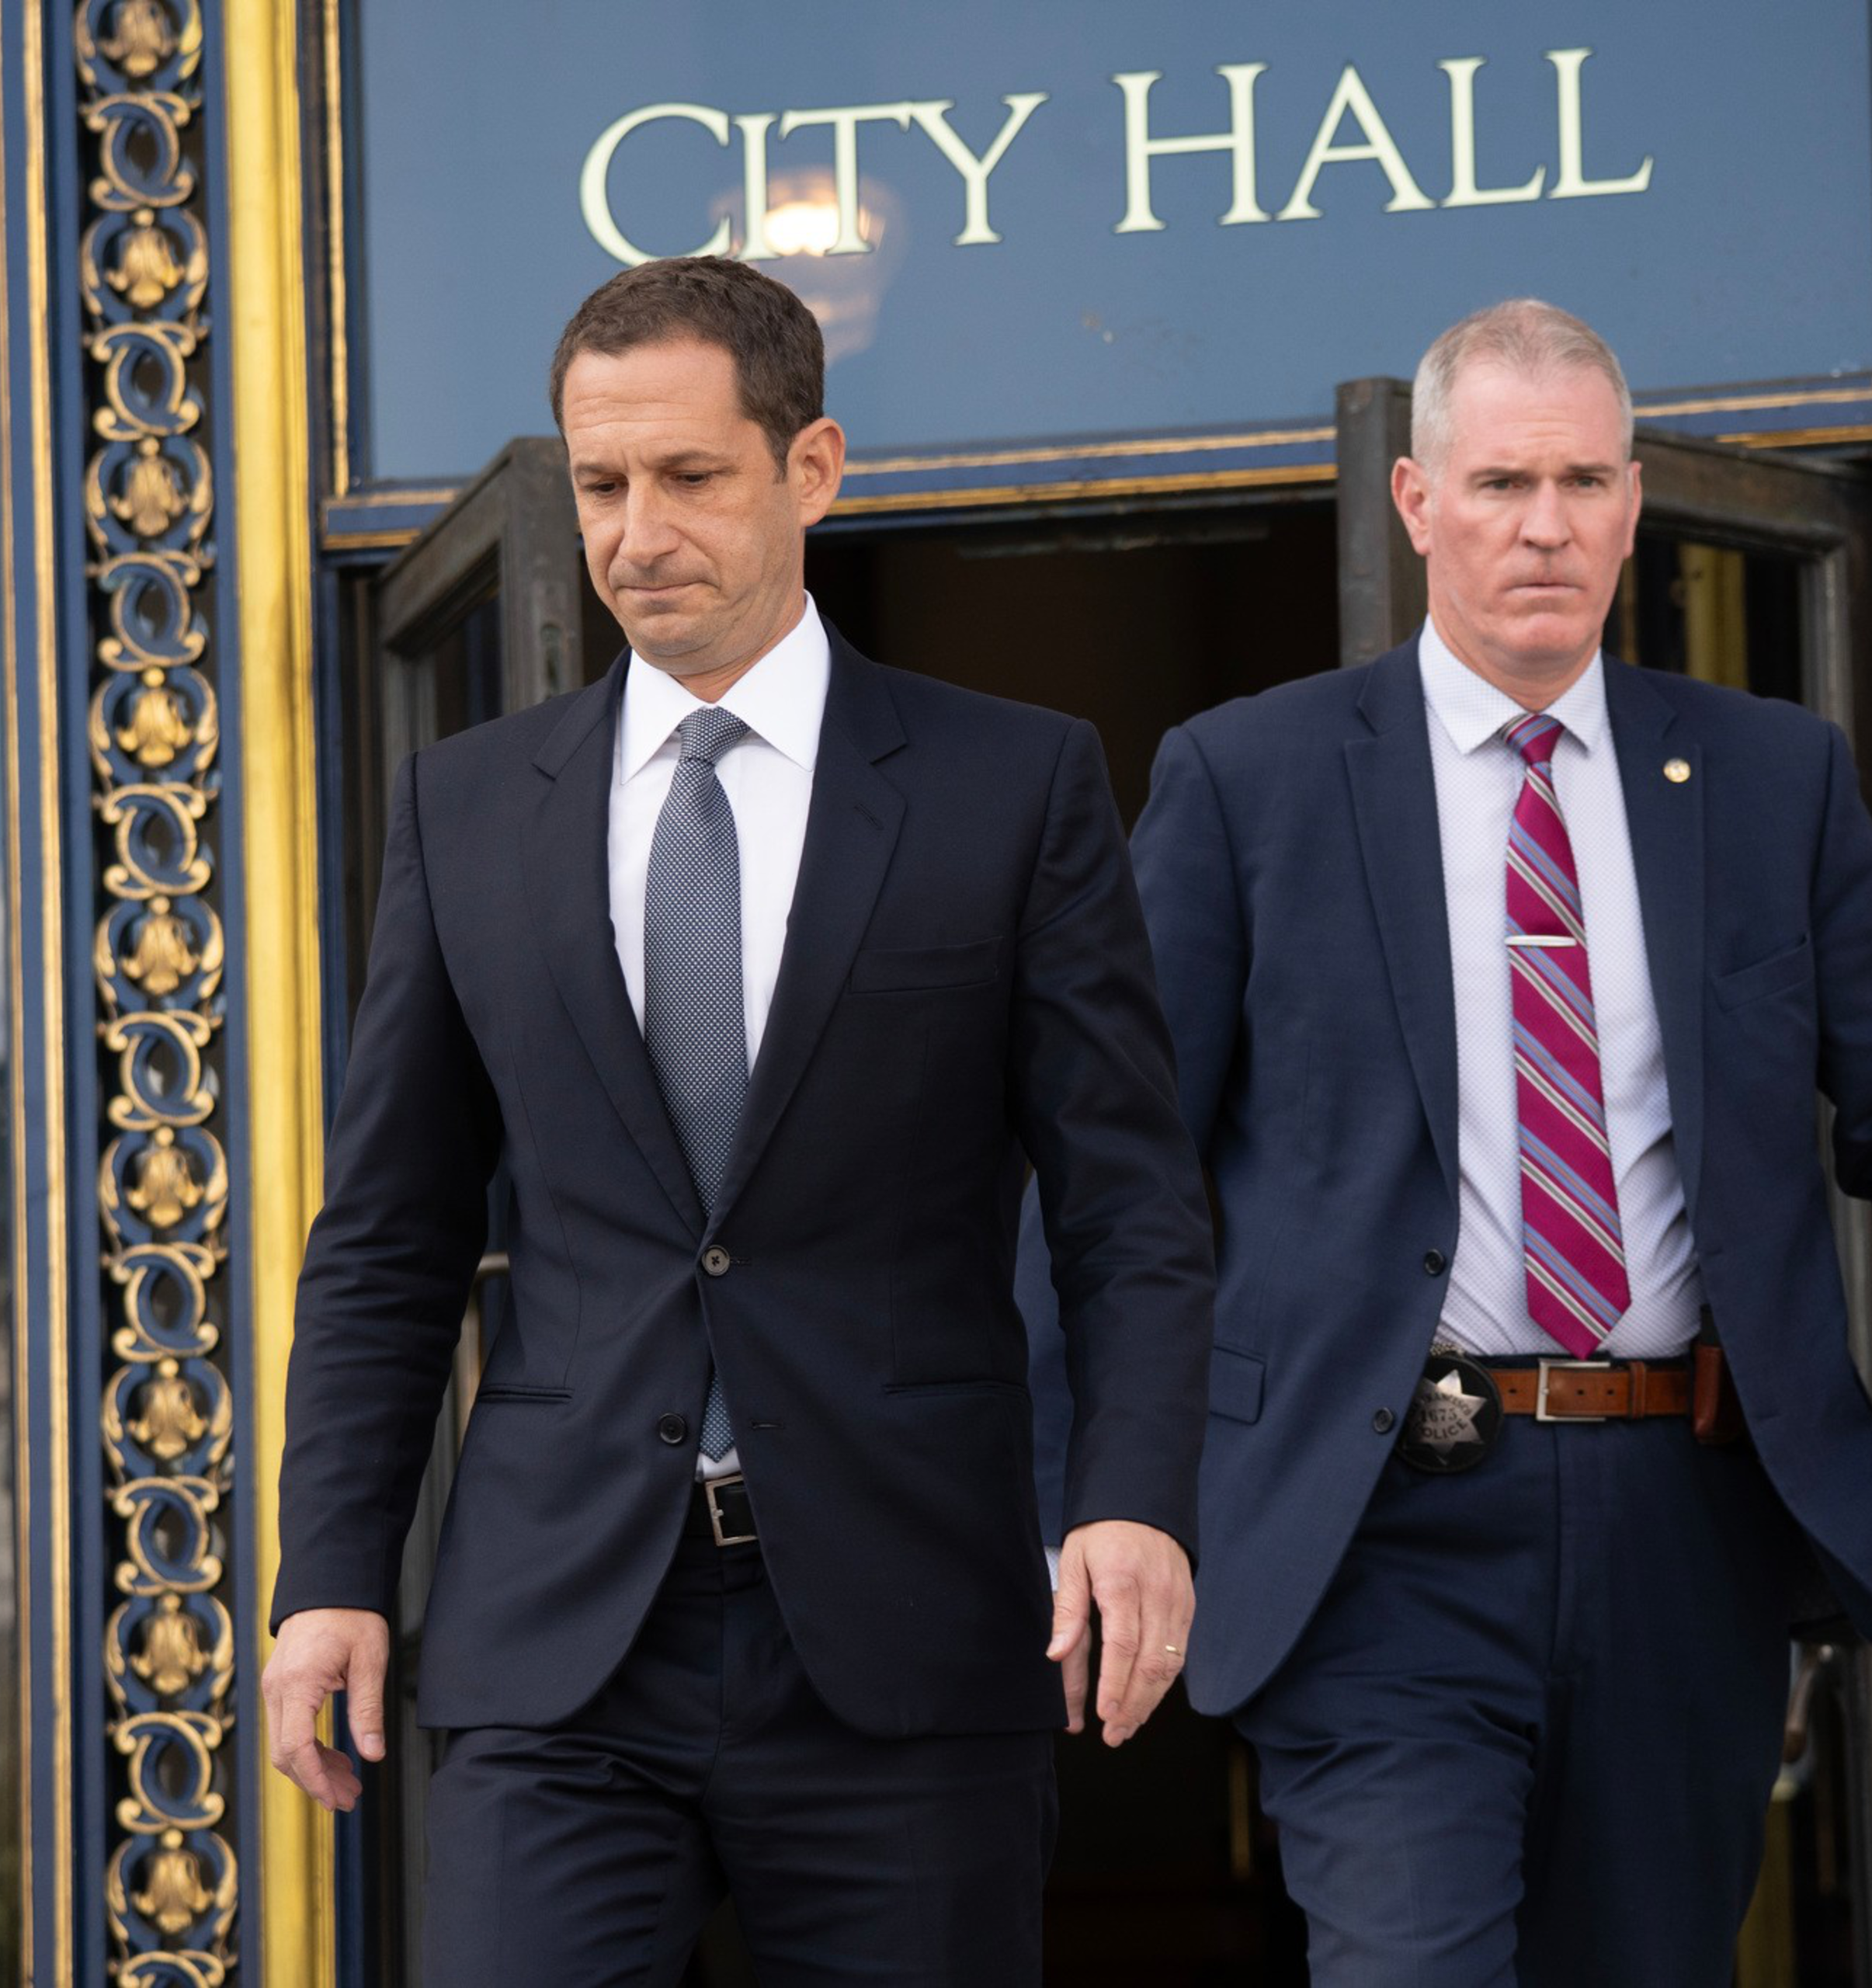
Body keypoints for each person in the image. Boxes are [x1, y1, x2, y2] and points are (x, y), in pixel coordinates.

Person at [1023, 298, 1872, 1985]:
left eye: (1581, 480)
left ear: (1634, 500)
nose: (1545, 524)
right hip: (1376, 1530)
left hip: (1683, 1526)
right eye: (1501, 481)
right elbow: (1109, 1162)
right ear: (1415, 502)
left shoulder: (1768, 776)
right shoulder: (1249, 776)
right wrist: (1106, 1495)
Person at [260, 255, 1214, 1983]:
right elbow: (388, 1234)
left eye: (688, 477)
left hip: (905, 1628)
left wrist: (1131, 1496)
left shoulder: (1013, 784)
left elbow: (1126, 1204)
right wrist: (329, 1566)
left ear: (812, 468)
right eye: (600, 484)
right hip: (557, 1639)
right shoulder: (465, 808)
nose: (635, 532)